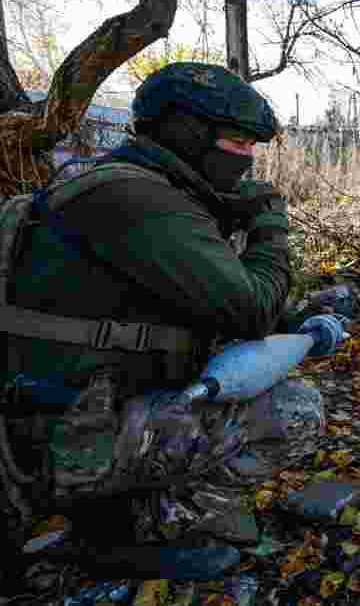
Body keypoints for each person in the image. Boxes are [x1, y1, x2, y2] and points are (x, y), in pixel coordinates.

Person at [0, 63, 324, 569]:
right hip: (63, 441)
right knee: (295, 411)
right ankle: (132, 533)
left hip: (49, 414)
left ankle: (109, 510)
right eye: (238, 141)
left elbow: (191, 307)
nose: (249, 157)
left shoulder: (106, 183)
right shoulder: (139, 198)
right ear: (187, 133)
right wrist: (269, 226)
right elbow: (253, 310)